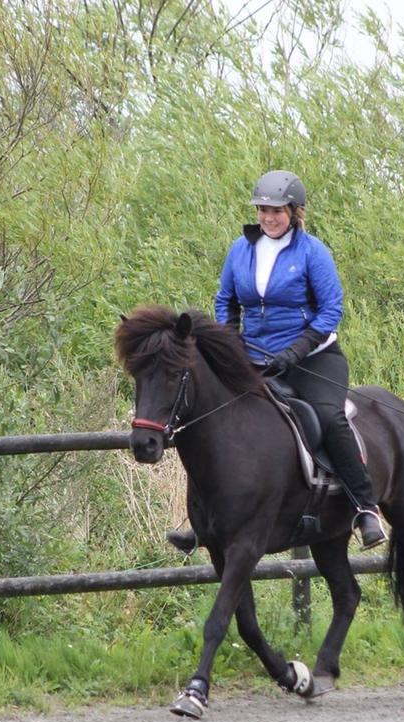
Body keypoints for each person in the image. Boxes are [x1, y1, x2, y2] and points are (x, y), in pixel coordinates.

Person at [167, 170, 387, 552]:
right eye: (263, 210)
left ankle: (364, 506)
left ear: (294, 212)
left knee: (329, 416)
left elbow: (331, 308)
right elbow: (226, 299)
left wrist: (297, 350)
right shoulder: (241, 249)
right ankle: (204, 520)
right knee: (215, 420)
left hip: (314, 357)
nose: (268, 217)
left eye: (277, 211)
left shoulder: (312, 252)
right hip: (253, 357)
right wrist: (230, 341)